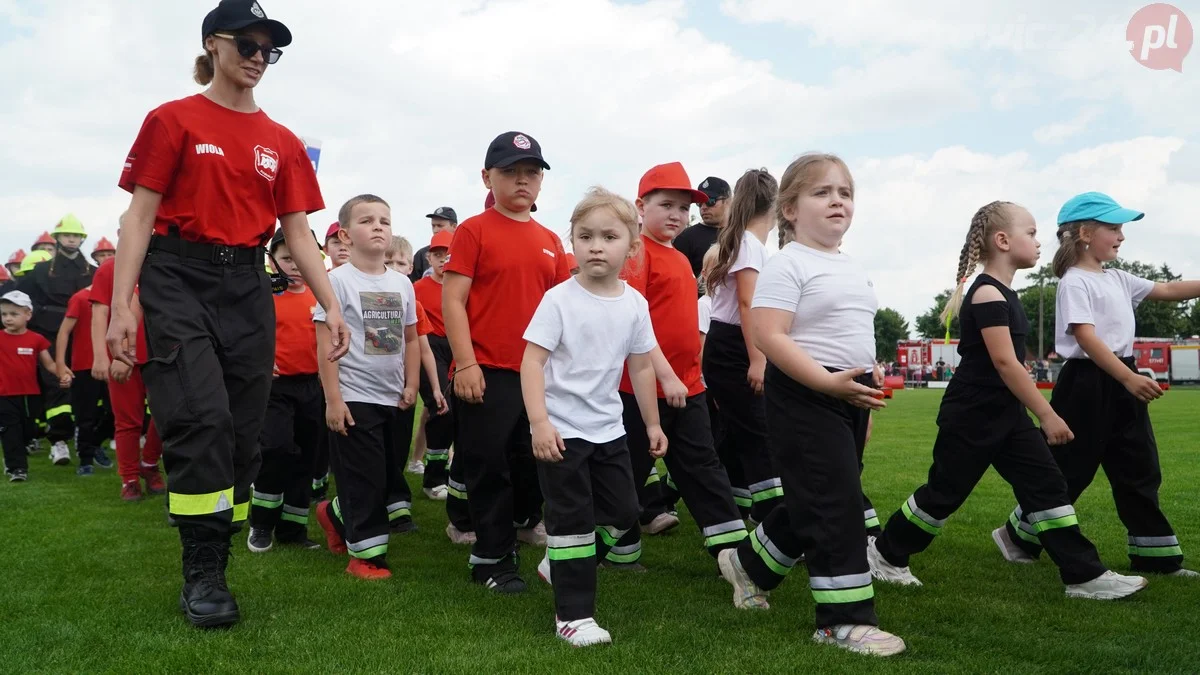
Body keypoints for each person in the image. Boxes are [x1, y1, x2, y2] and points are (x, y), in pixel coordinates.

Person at [108, 0, 347, 628]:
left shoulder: (284, 141)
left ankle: (218, 543)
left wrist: (332, 303)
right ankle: (204, 571)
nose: (258, 57)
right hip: (174, 277)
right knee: (200, 417)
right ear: (214, 44)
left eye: (269, 49)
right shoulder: (171, 120)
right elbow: (137, 218)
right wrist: (121, 306)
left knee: (242, 438)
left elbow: (298, 234)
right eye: (246, 43)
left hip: (247, 284)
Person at [867, 201, 1147, 601]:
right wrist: (1048, 415)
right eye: (1031, 233)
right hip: (974, 415)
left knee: (1048, 484)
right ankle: (885, 554)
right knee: (944, 494)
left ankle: (1084, 575)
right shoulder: (986, 294)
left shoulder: (1003, 294)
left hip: (1005, 415)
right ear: (1002, 240)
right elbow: (1005, 363)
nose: (1039, 242)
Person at [715, 153, 906, 657]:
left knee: (815, 495)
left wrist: (870, 370)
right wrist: (826, 382)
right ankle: (843, 622)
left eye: (844, 192)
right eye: (822, 192)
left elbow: (849, 330)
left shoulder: (852, 268)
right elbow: (769, 334)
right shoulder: (787, 264)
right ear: (790, 210)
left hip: (849, 394)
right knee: (836, 503)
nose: (837, 200)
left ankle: (748, 566)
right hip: (806, 395)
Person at [999, 192, 1200, 577]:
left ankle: (1156, 559)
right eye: (1114, 227)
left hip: (1121, 378)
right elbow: (1086, 339)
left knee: (1139, 467)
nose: (1121, 236)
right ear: (1085, 234)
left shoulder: (1119, 279)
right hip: (1087, 383)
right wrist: (1128, 378)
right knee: (1069, 471)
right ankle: (1017, 535)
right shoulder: (1074, 283)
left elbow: (1168, 290)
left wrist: (1127, 377)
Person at [523, 187, 664, 646]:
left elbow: (641, 366)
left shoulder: (635, 305)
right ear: (573, 243)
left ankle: (557, 566)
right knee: (571, 522)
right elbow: (532, 363)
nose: (596, 245)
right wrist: (540, 423)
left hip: (610, 432)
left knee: (625, 511)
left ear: (632, 246)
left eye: (608, 236)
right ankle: (574, 615)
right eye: (585, 236)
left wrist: (653, 424)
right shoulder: (558, 300)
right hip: (561, 432)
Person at [443, 130, 566, 593]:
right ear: (487, 177)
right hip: (487, 369)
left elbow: (560, 309)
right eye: (510, 172)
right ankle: (491, 560)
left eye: (531, 173)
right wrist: (466, 363)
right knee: (487, 464)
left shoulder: (551, 239)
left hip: (536, 375)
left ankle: (516, 528)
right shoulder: (473, 230)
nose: (521, 181)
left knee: (530, 461)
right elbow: (453, 300)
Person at [610, 162, 748, 569]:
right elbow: (634, 324)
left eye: (683, 208)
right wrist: (666, 375)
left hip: (687, 385)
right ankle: (609, 552)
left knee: (704, 467)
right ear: (640, 206)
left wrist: (690, 375)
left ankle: (734, 556)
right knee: (627, 474)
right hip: (639, 388)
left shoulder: (676, 256)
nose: (676, 215)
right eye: (666, 204)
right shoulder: (636, 254)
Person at [313, 195, 418, 578]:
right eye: (367, 220)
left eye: (385, 221)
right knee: (365, 478)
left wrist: (413, 382)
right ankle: (365, 556)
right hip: (354, 396)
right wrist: (333, 400)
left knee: (386, 473)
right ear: (344, 235)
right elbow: (324, 344)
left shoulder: (403, 284)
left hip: (393, 397)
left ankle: (333, 513)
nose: (378, 226)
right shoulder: (335, 282)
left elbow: (409, 338)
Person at [702, 169, 781, 527]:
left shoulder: (748, 244)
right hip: (736, 346)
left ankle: (731, 508)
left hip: (730, 344)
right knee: (760, 434)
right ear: (776, 205)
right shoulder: (750, 245)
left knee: (735, 435)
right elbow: (748, 304)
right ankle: (773, 519)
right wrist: (758, 360)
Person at [246, 228, 325, 553]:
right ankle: (262, 524)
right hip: (276, 388)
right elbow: (247, 335)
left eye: (299, 258)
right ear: (273, 260)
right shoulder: (264, 294)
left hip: (312, 387)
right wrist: (260, 362)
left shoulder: (321, 295)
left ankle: (293, 529)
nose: (294, 265)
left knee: (307, 458)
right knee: (276, 451)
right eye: (286, 258)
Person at [91, 231, 166, 502]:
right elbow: (99, 312)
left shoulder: (165, 264)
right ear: (122, 234)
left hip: (162, 354)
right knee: (127, 422)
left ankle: (148, 464)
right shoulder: (109, 268)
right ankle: (130, 478)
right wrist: (104, 356)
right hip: (123, 357)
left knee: (167, 415)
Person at [19, 214, 95, 466]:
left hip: (85, 335)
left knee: (85, 387)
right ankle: (58, 442)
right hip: (50, 335)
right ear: (57, 238)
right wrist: (44, 317)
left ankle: (82, 436)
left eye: (76, 235)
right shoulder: (39, 271)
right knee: (56, 385)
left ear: (82, 239)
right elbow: (23, 299)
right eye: (67, 235)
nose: (71, 239)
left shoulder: (93, 272)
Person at [412, 231, 456, 500]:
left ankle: (449, 472)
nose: (442, 260)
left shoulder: (462, 285)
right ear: (429, 257)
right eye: (437, 254)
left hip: (456, 347)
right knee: (442, 409)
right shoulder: (417, 288)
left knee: (458, 413)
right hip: (429, 347)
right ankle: (433, 478)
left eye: (447, 254)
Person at [56, 283, 114, 475]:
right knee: (85, 416)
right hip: (84, 367)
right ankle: (85, 459)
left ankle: (94, 443)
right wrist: (60, 364)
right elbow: (64, 331)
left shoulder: (119, 297)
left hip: (113, 364)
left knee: (117, 411)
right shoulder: (81, 298)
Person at [0, 291, 54, 482]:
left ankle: (17, 452)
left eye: (13, 314)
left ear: (28, 315)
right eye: (4, 314)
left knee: (28, 431)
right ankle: (17, 469)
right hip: (4, 395)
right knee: (10, 431)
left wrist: (63, 373)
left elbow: (49, 364)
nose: (8, 318)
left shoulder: (36, 339)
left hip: (31, 394)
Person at [674, 176, 731, 278]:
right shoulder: (686, 237)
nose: (704, 207)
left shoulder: (739, 235)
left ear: (727, 202)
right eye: (699, 203)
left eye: (710, 201)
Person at [410, 206, 458, 282]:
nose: (435, 230)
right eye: (433, 226)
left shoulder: (464, 252)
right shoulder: (421, 254)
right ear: (429, 258)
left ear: (454, 226)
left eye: (440, 226)